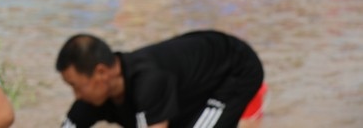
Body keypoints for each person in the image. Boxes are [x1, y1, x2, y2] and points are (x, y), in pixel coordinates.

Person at [56, 31, 265, 128]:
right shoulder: (96, 94)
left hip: (234, 71)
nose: (77, 95)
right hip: (188, 86)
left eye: (76, 86)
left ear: (101, 73)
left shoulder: (148, 82)